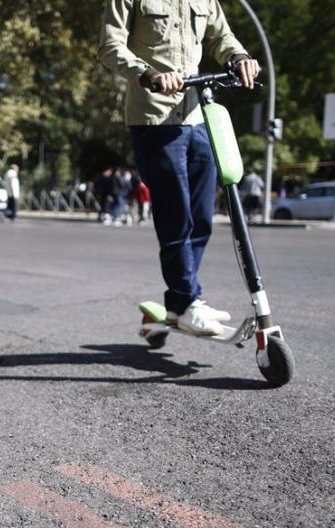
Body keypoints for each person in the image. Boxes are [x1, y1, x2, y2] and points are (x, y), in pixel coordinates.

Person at [99, 0, 260, 336]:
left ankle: (180, 302)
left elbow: (221, 37)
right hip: (153, 119)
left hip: (196, 116)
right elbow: (110, 45)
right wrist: (147, 73)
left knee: (202, 216)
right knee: (176, 216)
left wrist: (240, 56)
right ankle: (187, 301)